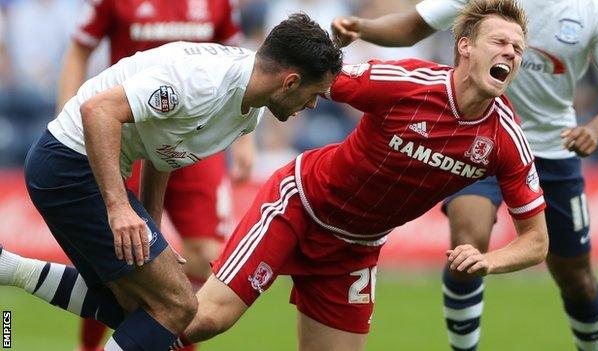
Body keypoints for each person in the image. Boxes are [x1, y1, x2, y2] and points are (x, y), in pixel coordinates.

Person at [0, 13, 342, 351]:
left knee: (141, 310)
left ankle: (10, 267)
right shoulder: (203, 82)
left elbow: (161, 150)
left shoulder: (248, 113)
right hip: (68, 165)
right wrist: (119, 208)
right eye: (313, 94)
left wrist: (151, 227)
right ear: (291, 81)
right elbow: (98, 111)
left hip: (73, 167)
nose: (311, 105)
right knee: (179, 305)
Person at [331, 0, 598, 350]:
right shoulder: (488, 4)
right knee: (466, 245)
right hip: (477, 137)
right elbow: (412, 26)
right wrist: (361, 28)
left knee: (576, 277)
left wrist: (595, 128)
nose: (510, 52)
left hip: (554, 149)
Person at [57, 1, 253, 349]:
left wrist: (243, 141)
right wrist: (67, 118)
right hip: (125, 136)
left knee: (205, 255)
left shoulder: (218, 4)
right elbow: (79, 50)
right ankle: (91, 345)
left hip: (194, 136)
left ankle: (168, 341)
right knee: (122, 257)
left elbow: (244, 65)